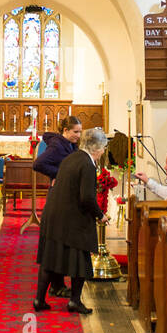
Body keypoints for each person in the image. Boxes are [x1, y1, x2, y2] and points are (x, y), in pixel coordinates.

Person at [33, 126, 107, 316]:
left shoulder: (71, 158)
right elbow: (87, 198)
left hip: (53, 215)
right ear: (97, 148)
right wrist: (100, 215)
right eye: (103, 148)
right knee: (80, 260)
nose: (103, 151)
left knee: (50, 258)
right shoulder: (88, 165)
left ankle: (39, 299)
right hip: (72, 220)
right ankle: (74, 301)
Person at [32, 115, 82, 297]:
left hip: (65, 197)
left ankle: (57, 285)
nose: (78, 135)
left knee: (59, 244)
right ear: (66, 130)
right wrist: (59, 174)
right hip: (58, 198)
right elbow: (38, 164)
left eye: (80, 132)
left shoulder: (68, 144)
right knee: (56, 244)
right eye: (75, 132)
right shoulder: (57, 145)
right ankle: (56, 286)